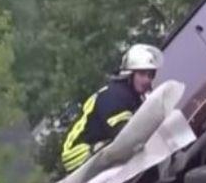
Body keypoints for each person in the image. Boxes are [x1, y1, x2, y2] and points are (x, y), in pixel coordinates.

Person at [60, 43, 164, 174]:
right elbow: (125, 134)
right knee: (115, 148)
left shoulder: (134, 96)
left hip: (102, 144)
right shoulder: (115, 95)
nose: (147, 80)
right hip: (77, 152)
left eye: (150, 75)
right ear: (130, 73)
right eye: (142, 73)